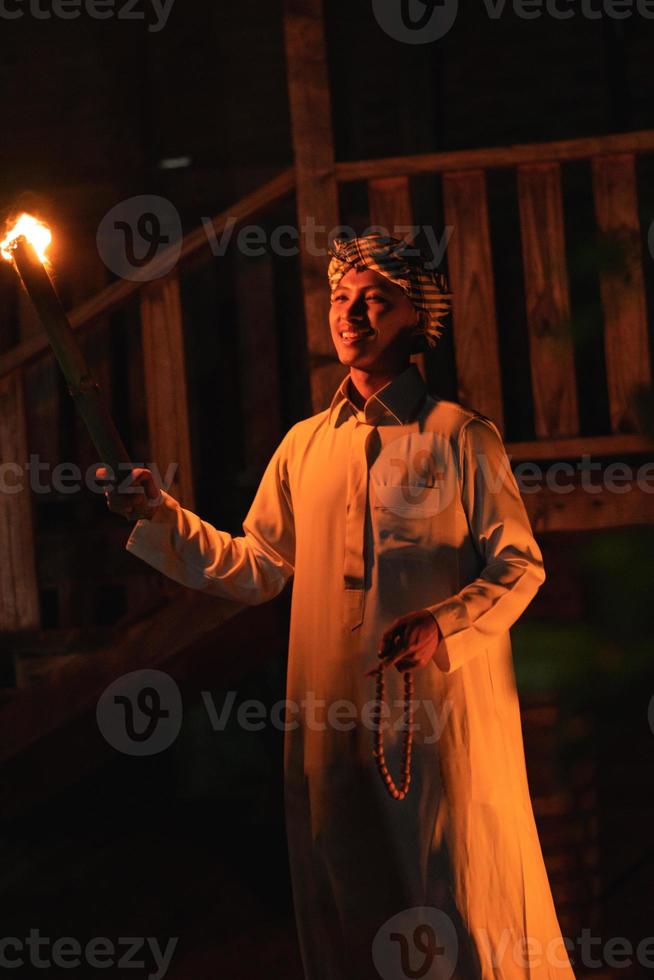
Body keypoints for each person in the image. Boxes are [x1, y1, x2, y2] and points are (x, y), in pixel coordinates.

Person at [100, 235, 575, 980]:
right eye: (341, 299)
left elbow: (519, 564)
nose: (351, 314)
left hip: (436, 720)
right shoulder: (305, 447)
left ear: (417, 318)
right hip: (328, 716)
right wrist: (159, 516)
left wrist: (443, 624)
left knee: (452, 892)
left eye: (375, 300)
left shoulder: (457, 438)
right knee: (349, 904)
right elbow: (257, 566)